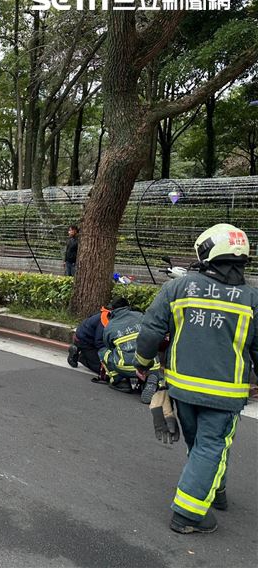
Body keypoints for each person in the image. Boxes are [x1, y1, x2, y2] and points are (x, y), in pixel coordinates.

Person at [135, 223, 258, 535]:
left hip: (182, 388)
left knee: (200, 445)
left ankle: (214, 491)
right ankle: (188, 514)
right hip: (225, 394)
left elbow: (151, 329)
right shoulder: (251, 299)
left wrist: (142, 363)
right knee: (212, 445)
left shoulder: (179, 288)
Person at [100, 298, 159, 403]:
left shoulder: (110, 326)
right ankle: (149, 381)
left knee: (103, 352)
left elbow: (108, 345)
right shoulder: (140, 316)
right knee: (148, 350)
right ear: (127, 307)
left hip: (126, 367)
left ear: (112, 310)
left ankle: (119, 380)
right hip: (151, 363)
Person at [68, 297, 128, 373]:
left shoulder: (109, 314)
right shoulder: (105, 320)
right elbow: (99, 342)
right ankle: (81, 356)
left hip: (91, 339)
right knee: (103, 368)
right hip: (85, 341)